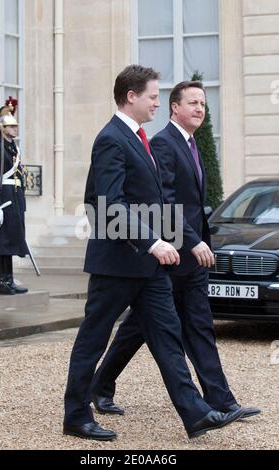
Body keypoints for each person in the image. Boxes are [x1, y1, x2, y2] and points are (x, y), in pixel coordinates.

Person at [63, 66, 243, 442]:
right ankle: (76, 415)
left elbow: (154, 201)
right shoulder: (112, 138)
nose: (158, 103)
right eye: (153, 96)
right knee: (93, 340)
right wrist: (151, 241)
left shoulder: (139, 139)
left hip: (149, 267)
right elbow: (107, 204)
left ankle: (195, 414)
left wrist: (168, 241)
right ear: (131, 96)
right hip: (117, 265)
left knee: (167, 337)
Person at [91, 81, 261, 419]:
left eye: (203, 103)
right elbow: (166, 204)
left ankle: (222, 400)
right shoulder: (163, 144)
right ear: (175, 108)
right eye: (193, 103)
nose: (200, 108)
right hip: (171, 255)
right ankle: (99, 386)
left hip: (193, 259)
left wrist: (200, 241)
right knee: (136, 328)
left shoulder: (193, 144)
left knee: (198, 326)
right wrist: (191, 241)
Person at [0, 99, 28, 295]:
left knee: (11, 241)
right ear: (2, 127)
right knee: (1, 242)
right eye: (11, 125)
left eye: (15, 125)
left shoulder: (13, 148)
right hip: (3, 199)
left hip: (15, 198)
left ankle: (9, 279)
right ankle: (1, 281)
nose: (15, 128)